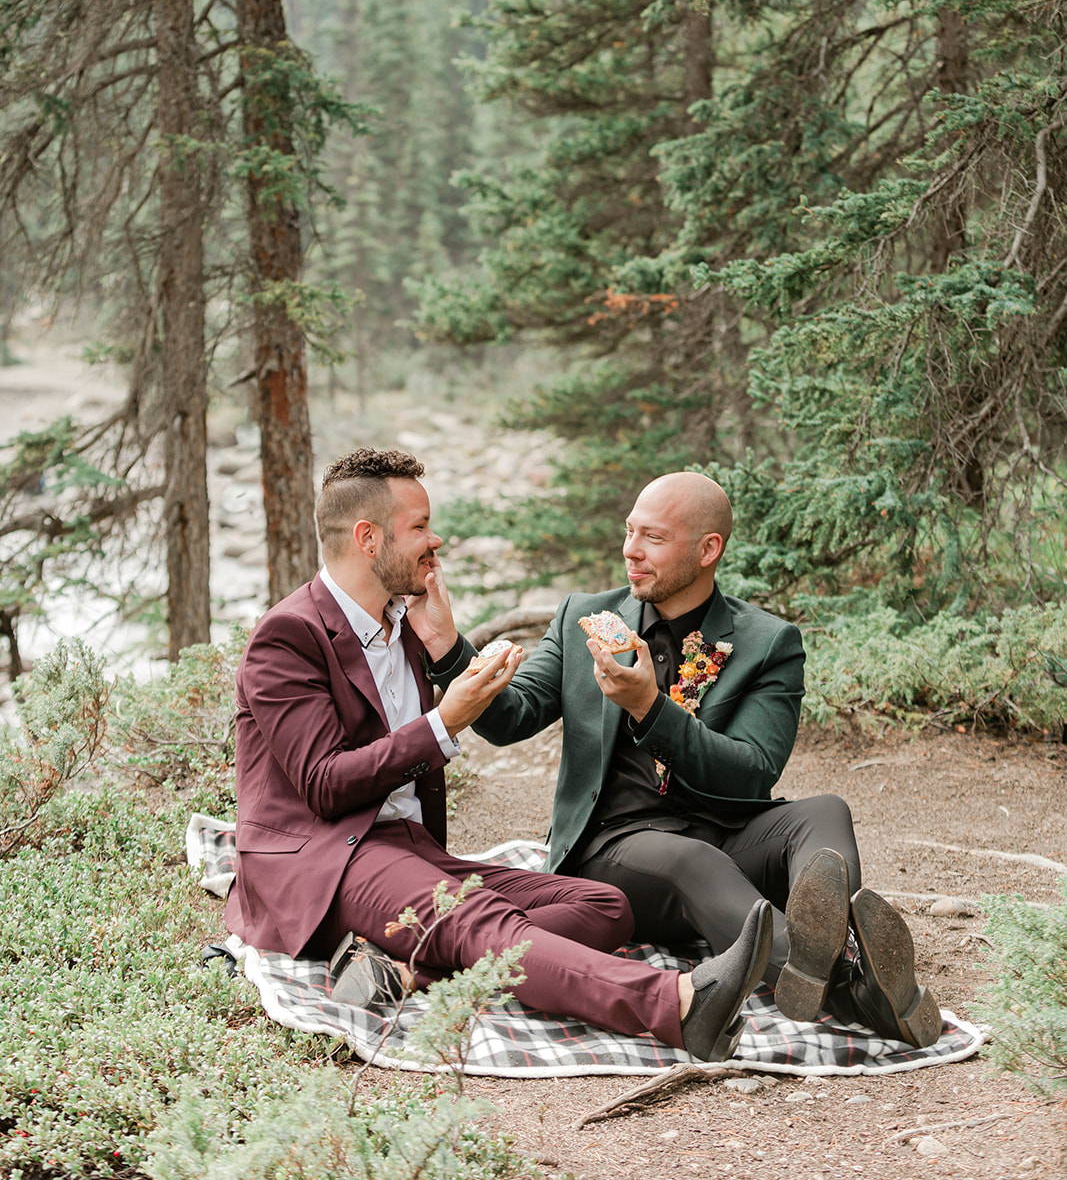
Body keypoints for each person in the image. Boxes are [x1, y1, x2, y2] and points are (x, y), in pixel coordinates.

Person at [225, 448, 774, 1063]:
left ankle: (407, 975)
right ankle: (675, 1005)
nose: (436, 541)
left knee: (602, 906)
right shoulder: (288, 635)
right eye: (419, 527)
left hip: (404, 848)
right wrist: (445, 720)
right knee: (484, 924)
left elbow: (494, 717)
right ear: (367, 538)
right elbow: (325, 786)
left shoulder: (403, 625)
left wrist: (445, 647)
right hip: (325, 862)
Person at [429, 470, 942, 1049]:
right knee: (691, 860)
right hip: (613, 849)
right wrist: (448, 647)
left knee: (824, 813)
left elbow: (752, 770)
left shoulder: (767, 642)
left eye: (652, 537)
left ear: (708, 550)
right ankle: (857, 983)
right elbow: (508, 719)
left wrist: (650, 708)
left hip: (726, 829)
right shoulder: (584, 619)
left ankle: (824, 963)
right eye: (628, 532)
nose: (630, 550)